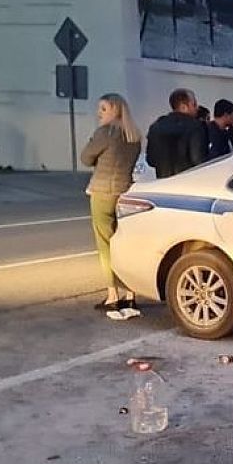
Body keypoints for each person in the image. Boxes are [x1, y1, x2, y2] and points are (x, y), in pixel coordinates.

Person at [80, 93, 142, 321]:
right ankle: (131, 293)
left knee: (105, 245)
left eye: (103, 109)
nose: (99, 113)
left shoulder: (104, 133)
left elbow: (86, 158)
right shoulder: (134, 135)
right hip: (125, 191)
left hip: (102, 192)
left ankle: (112, 295)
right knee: (125, 243)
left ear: (115, 110)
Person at [145, 88, 206, 178]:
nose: (197, 108)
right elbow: (198, 160)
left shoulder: (156, 127)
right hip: (188, 181)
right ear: (183, 106)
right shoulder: (194, 126)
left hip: (163, 182)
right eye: (194, 104)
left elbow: (151, 160)